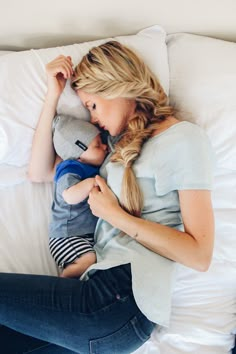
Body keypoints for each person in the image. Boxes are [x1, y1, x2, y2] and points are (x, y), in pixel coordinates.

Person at [0, 41, 215, 354]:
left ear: (116, 87)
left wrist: (116, 216)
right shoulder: (113, 148)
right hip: (102, 307)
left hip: (120, 301)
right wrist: (52, 96)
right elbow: (40, 172)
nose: (92, 117)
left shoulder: (183, 138)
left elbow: (200, 254)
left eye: (93, 105)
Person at [49, 114, 107, 278]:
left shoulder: (89, 166)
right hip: (66, 235)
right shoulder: (69, 169)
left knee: (94, 263)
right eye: (98, 145)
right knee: (88, 260)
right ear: (79, 154)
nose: (104, 147)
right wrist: (90, 183)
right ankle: (62, 284)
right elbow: (69, 196)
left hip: (86, 236)